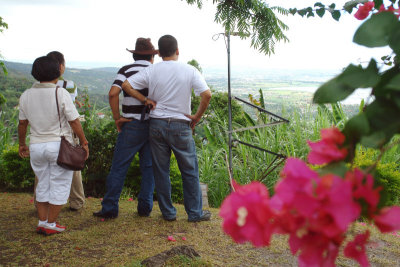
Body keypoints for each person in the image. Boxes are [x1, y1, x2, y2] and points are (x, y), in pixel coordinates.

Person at [122, 34, 212, 222]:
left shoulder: (153, 70)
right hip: (181, 125)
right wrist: (196, 116)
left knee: (161, 170)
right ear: (177, 51)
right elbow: (207, 95)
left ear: (160, 53)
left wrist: (146, 100)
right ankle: (195, 213)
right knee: (189, 170)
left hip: (157, 125)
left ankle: (168, 212)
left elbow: (126, 85)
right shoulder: (190, 70)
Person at [18, 55, 89, 235]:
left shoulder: (26, 95)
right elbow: (74, 121)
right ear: (58, 71)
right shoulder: (60, 93)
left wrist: (21, 144)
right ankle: (51, 223)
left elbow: (22, 124)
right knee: (59, 184)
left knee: (43, 183)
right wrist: (84, 142)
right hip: (58, 146)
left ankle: (42, 221)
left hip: (36, 145)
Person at [93, 38, 157, 219]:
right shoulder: (155, 71)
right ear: (152, 56)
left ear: (134, 55)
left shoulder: (126, 70)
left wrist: (117, 118)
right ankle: (145, 208)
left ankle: (110, 208)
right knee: (149, 167)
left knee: (119, 167)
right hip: (153, 125)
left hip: (131, 125)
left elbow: (113, 93)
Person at [32, 51, 86, 211]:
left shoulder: (35, 88)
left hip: (42, 130)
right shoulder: (68, 85)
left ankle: (39, 202)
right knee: (72, 163)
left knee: (42, 170)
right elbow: (71, 111)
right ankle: (77, 201)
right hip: (65, 130)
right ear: (60, 67)